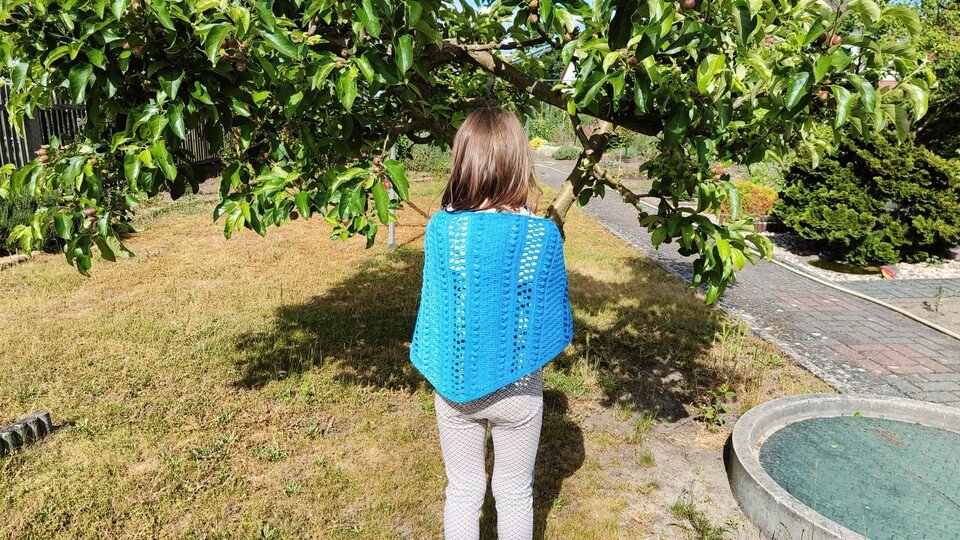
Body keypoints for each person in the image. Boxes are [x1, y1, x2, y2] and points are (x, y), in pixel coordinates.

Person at [409, 107, 574, 540]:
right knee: (515, 493)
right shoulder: (542, 235)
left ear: (463, 161)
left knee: (463, 490)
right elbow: (550, 313)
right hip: (519, 388)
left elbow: (442, 308)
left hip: (454, 386)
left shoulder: (442, 230)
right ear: (519, 162)